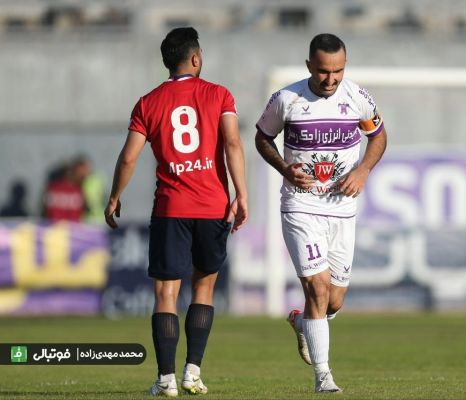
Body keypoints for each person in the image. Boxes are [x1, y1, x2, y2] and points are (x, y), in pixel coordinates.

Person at [104, 27, 248, 397]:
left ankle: (165, 379)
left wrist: (115, 196)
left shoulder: (148, 103)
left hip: (171, 208)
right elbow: (232, 143)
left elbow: (129, 156)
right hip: (213, 206)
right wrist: (241, 194)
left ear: (167, 62)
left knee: (166, 292)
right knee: (204, 288)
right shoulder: (219, 95)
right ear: (196, 58)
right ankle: (192, 373)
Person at [255, 33, 387, 393]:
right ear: (309, 66)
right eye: (324, 72)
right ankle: (323, 378)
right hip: (301, 204)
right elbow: (262, 138)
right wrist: (284, 168)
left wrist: (363, 171)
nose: (331, 80)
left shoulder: (356, 96)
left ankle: (304, 324)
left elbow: (378, 135)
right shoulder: (287, 99)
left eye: (338, 71)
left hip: (342, 208)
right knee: (317, 288)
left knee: (334, 299)